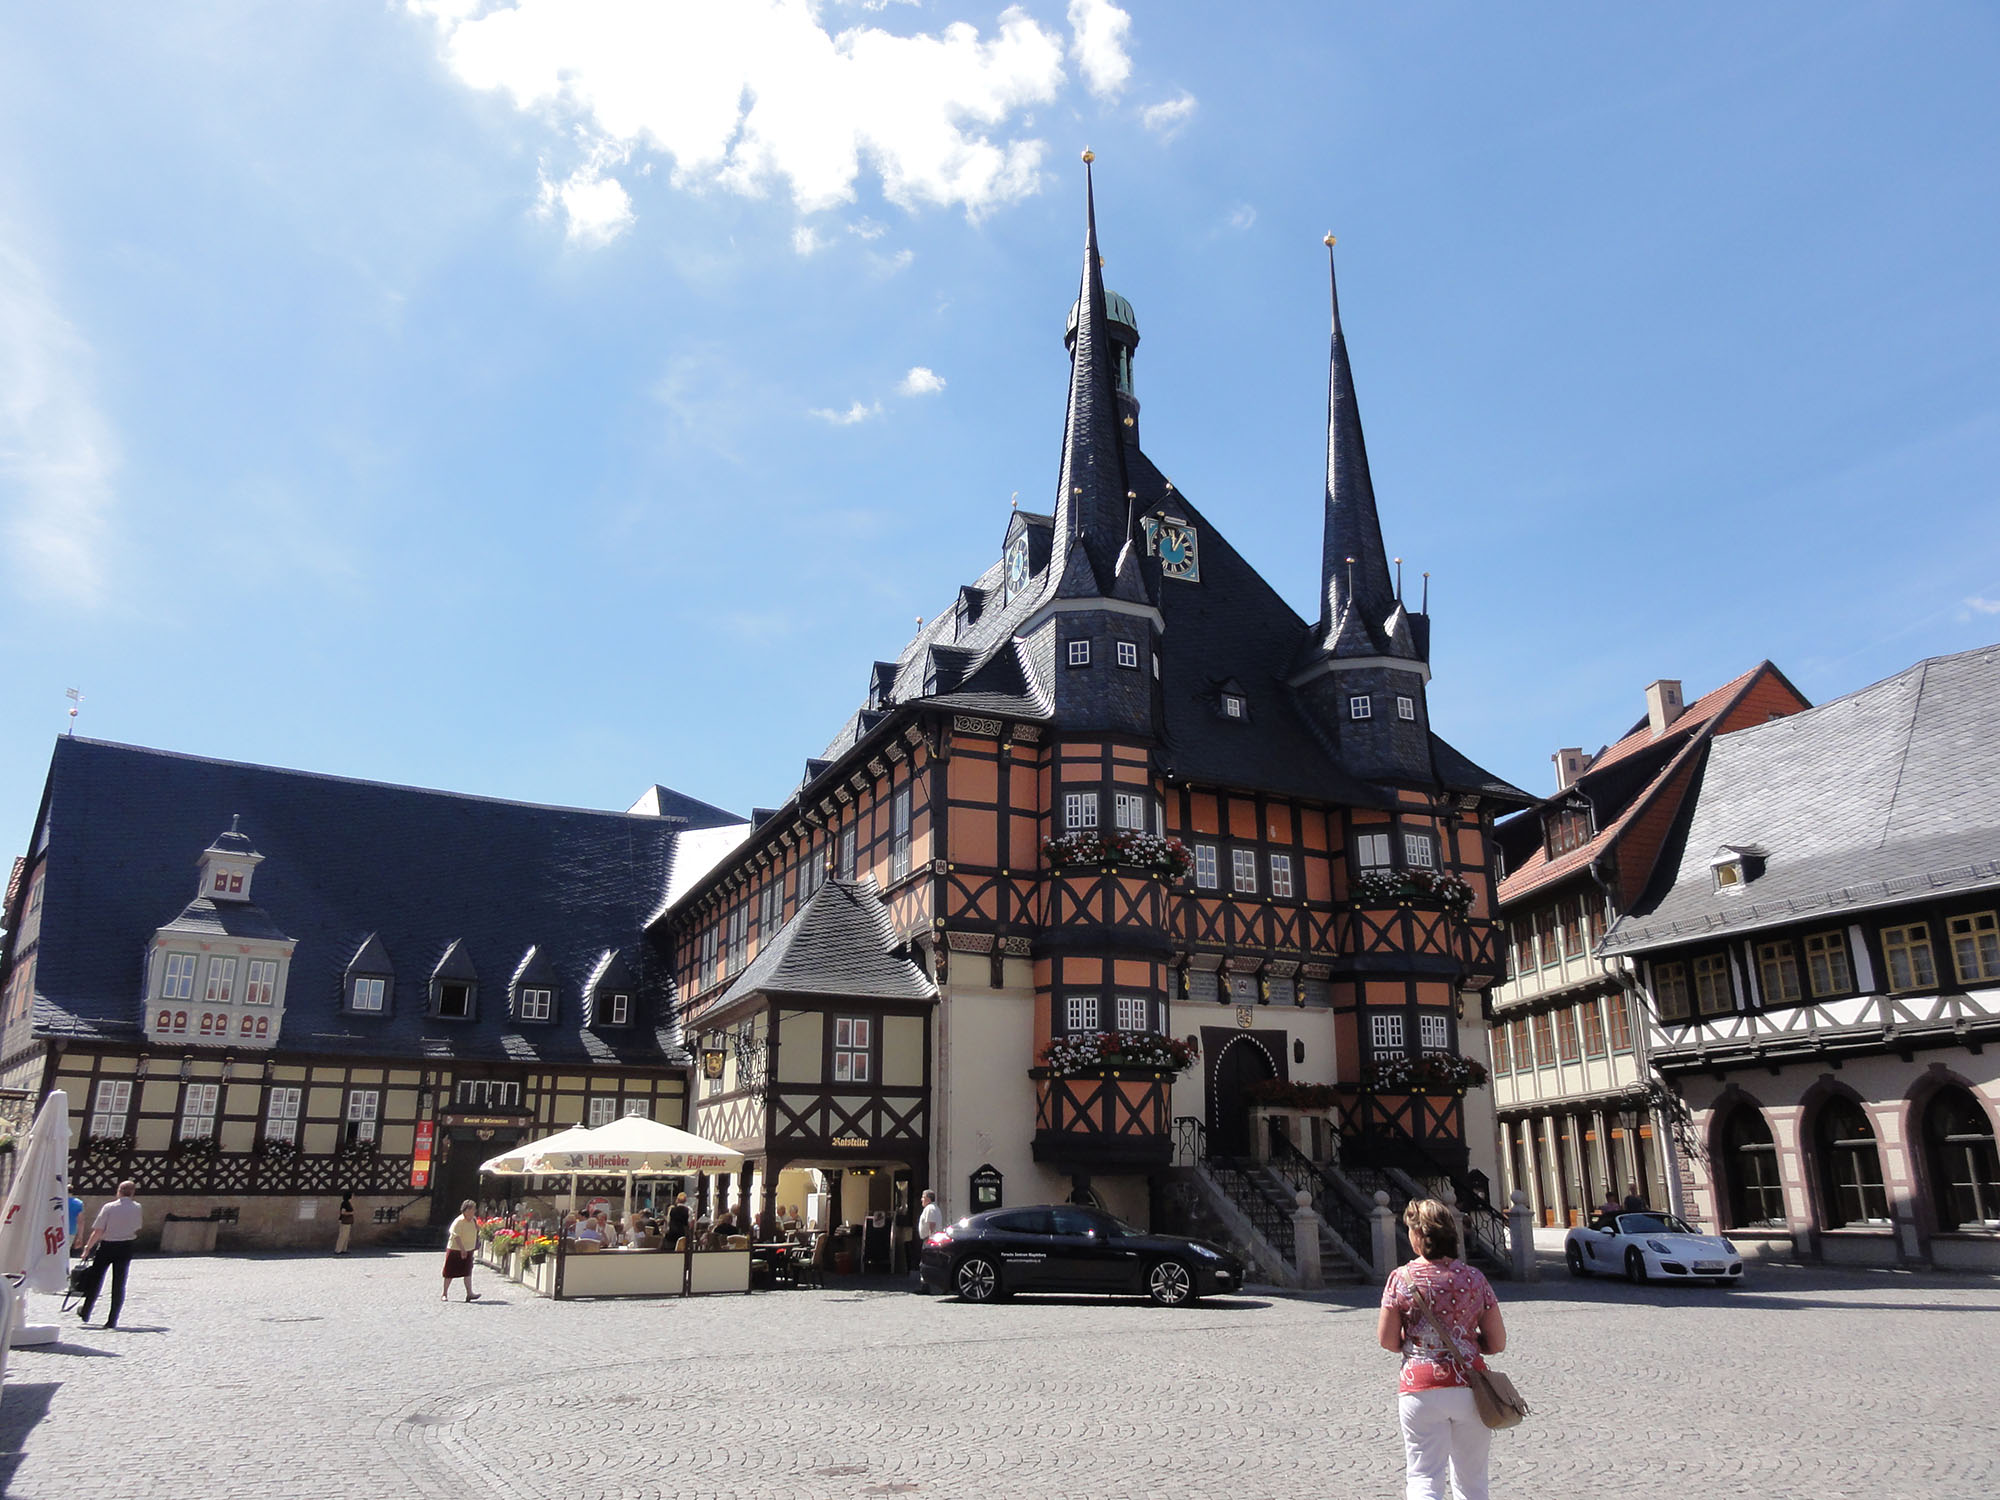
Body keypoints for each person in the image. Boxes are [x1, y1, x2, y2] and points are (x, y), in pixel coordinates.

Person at [1378, 1198, 1506, 1500]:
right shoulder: (1475, 1278)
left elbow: (1387, 1340)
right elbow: (1497, 1342)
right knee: (1472, 1481)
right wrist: (1473, 1343)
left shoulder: (1401, 1279)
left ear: (1418, 1236)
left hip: (1419, 1387)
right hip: (1470, 1387)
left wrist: (1412, 1346)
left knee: (1424, 1476)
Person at [77, 1180, 144, 1329]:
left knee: (96, 1279)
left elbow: (98, 1230)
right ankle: (112, 1319)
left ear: (118, 1190)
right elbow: (137, 1226)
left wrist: (88, 1248)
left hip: (107, 1245)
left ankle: (86, 1310)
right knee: (119, 1283)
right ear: (132, 1192)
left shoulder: (109, 1207)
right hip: (126, 1246)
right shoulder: (137, 1207)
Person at [442, 1199, 480, 1302]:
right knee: (449, 1272)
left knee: (467, 1272)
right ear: (466, 1210)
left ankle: (469, 1293)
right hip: (455, 1249)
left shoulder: (473, 1219)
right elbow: (456, 1236)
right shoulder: (459, 1221)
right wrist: (462, 1250)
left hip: (469, 1249)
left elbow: (477, 1230)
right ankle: (444, 1294)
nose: (474, 1211)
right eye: (472, 1209)